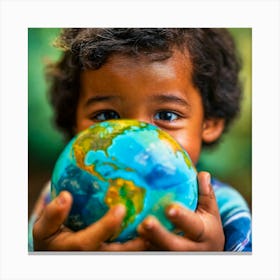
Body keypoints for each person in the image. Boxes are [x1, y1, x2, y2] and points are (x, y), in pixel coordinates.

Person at [28, 28, 252, 252]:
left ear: (209, 122)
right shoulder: (61, 199)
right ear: (75, 120)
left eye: (166, 116)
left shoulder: (226, 213)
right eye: (107, 116)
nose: (137, 142)